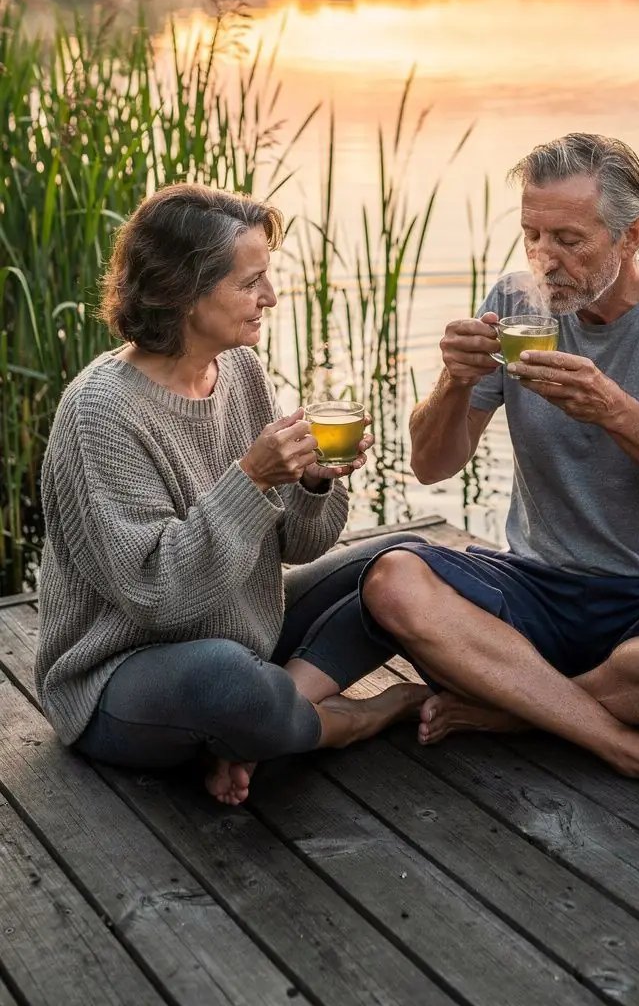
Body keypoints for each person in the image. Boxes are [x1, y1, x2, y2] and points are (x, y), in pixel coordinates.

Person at [360, 133, 639, 812]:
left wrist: (618, 413)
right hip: (537, 584)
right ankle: (629, 744)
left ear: (631, 236)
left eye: (568, 239)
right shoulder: (515, 301)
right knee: (393, 578)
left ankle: (511, 707)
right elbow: (430, 463)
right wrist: (453, 382)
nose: (543, 260)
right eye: (531, 235)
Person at [35, 183, 427, 806]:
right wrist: (251, 479)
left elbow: (297, 546)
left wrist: (314, 481)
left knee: (402, 565)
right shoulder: (101, 412)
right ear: (183, 292)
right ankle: (346, 720)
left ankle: (249, 731)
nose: (270, 297)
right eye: (250, 283)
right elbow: (157, 599)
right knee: (223, 678)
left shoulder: (239, 370)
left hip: (246, 630)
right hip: (125, 677)